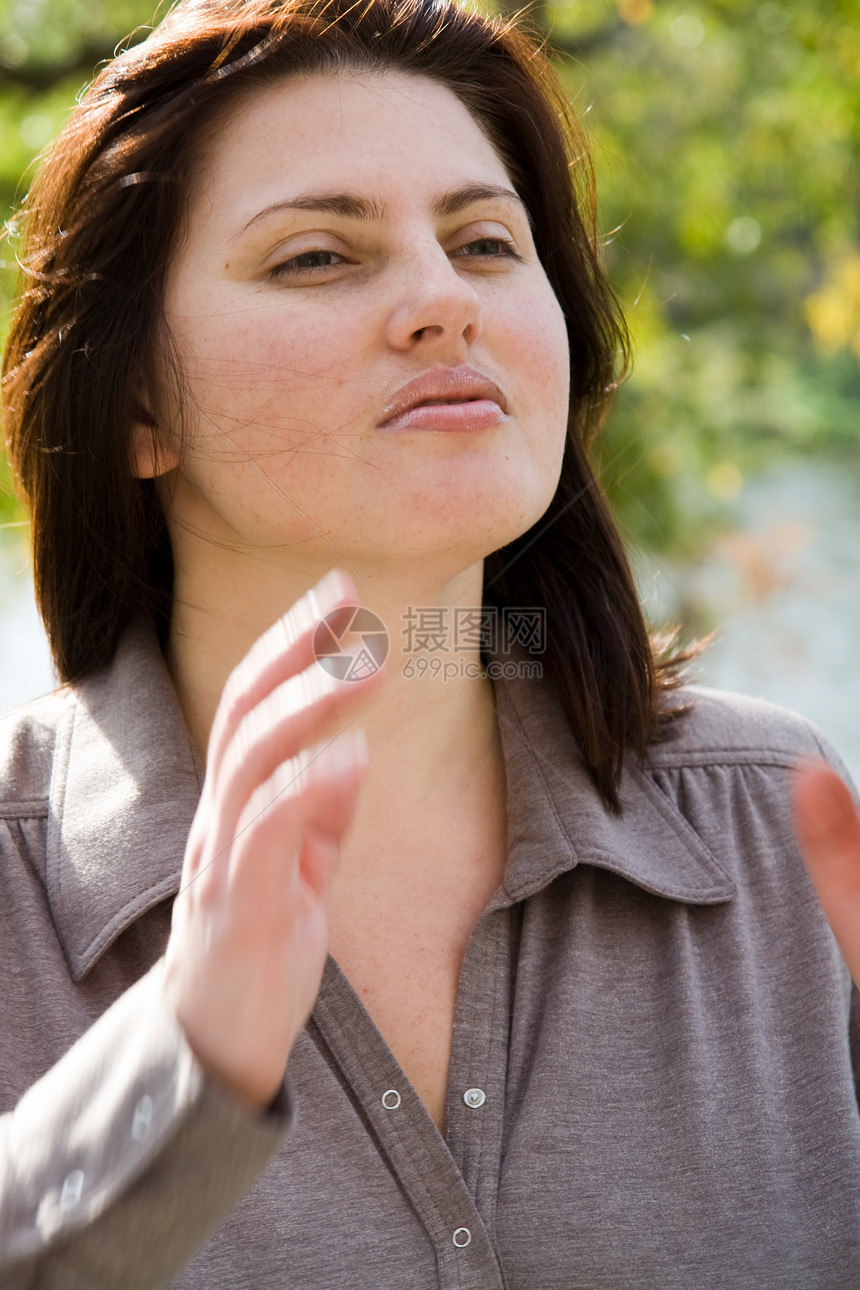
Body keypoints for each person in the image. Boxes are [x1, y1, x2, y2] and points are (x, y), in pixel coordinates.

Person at [1, 0, 859, 1284]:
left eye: (484, 242)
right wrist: (183, 1069)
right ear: (132, 401)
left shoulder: (775, 826)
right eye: (316, 257)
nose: (441, 303)